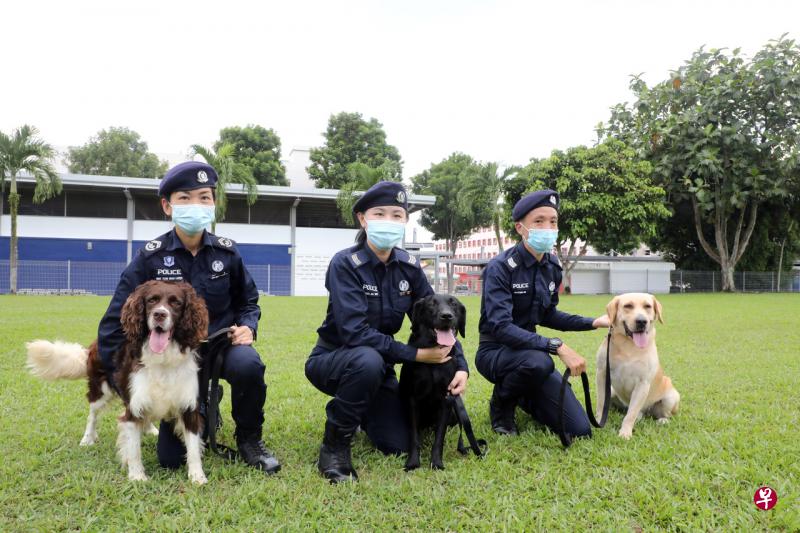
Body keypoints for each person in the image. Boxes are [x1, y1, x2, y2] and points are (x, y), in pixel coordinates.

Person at [97, 161, 280, 474]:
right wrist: (125, 378)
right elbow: (115, 322)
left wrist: (248, 327)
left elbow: (248, 300)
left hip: (219, 347)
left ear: (214, 205)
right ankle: (205, 403)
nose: (196, 204)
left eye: (204, 197)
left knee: (249, 364)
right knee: (170, 460)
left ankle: (250, 439)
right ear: (168, 206)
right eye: (185, 198)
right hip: (171, 357)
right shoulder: (150, 256)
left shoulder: (228, 253)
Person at [305, 181, 469, 483]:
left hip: (379, 369)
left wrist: (461, 366)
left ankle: (359, 409)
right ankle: (335, 445)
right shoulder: (346, 264)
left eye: (397, 215)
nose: (389, 222)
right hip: (334, 360)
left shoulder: (409, 267)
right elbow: (356, 334)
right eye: (380, 214)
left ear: (405, 221)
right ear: (363, 219)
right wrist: (416, 354)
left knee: (397, 444)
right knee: (368, 359)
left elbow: (438, 316)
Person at [475, 189, 610, 439]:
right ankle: (501, 406)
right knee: (540, 362)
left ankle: (525, 395)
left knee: (579, 430)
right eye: (538, 221)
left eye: (553, 221)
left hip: (529, 353)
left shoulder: (552, 266)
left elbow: (548, 315)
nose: (547, 227)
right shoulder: (501, 268)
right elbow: (501, 327)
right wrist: (555, 346)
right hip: (495, 351)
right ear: (520, 227)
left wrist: (593, 322)